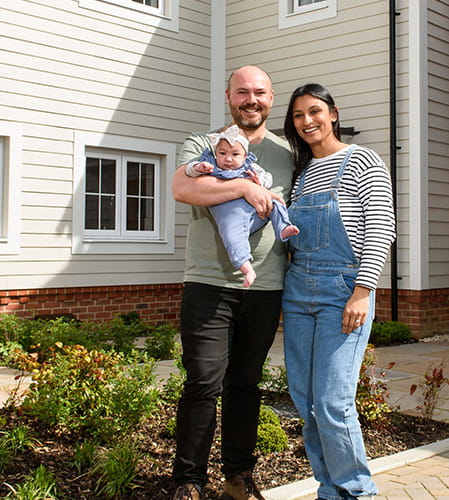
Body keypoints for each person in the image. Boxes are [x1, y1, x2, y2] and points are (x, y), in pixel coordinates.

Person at [169, 65, 294, 500]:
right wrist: (243, 186)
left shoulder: (286, 152)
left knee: (246, 384)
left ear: (271, 98)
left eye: (259, 93)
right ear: (229, 97)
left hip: (266, 287)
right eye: (242, 92)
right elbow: (184, 189)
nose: (251, 100)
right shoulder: (204, 143)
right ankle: (188, 480)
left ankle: (238, 477)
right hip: (208, 283)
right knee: (203, 382)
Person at [280, 83, 395, 500]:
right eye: (298, 116)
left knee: (332, 402)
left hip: (342, 289)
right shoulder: (303, 171)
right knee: (305, 402)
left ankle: (358, 492)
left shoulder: (361, 159)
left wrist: (363, 291)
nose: (307, 121)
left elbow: (381, 227)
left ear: (333, 113)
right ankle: (330, 489)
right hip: (297, 291)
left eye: (314, 111)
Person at [182, 124, 299, 288]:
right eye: (222, 153)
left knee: (276, 202)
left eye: (235, 154)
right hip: (230, 216)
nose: (228, 159)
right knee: (231, 235)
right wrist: (197, 168)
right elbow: (185, 180)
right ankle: (246, 267)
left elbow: (268, 178)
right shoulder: (211, 165)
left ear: (245, 155)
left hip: (255, 216)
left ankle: (283, 227)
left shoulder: (250, 166)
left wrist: (260, 182)